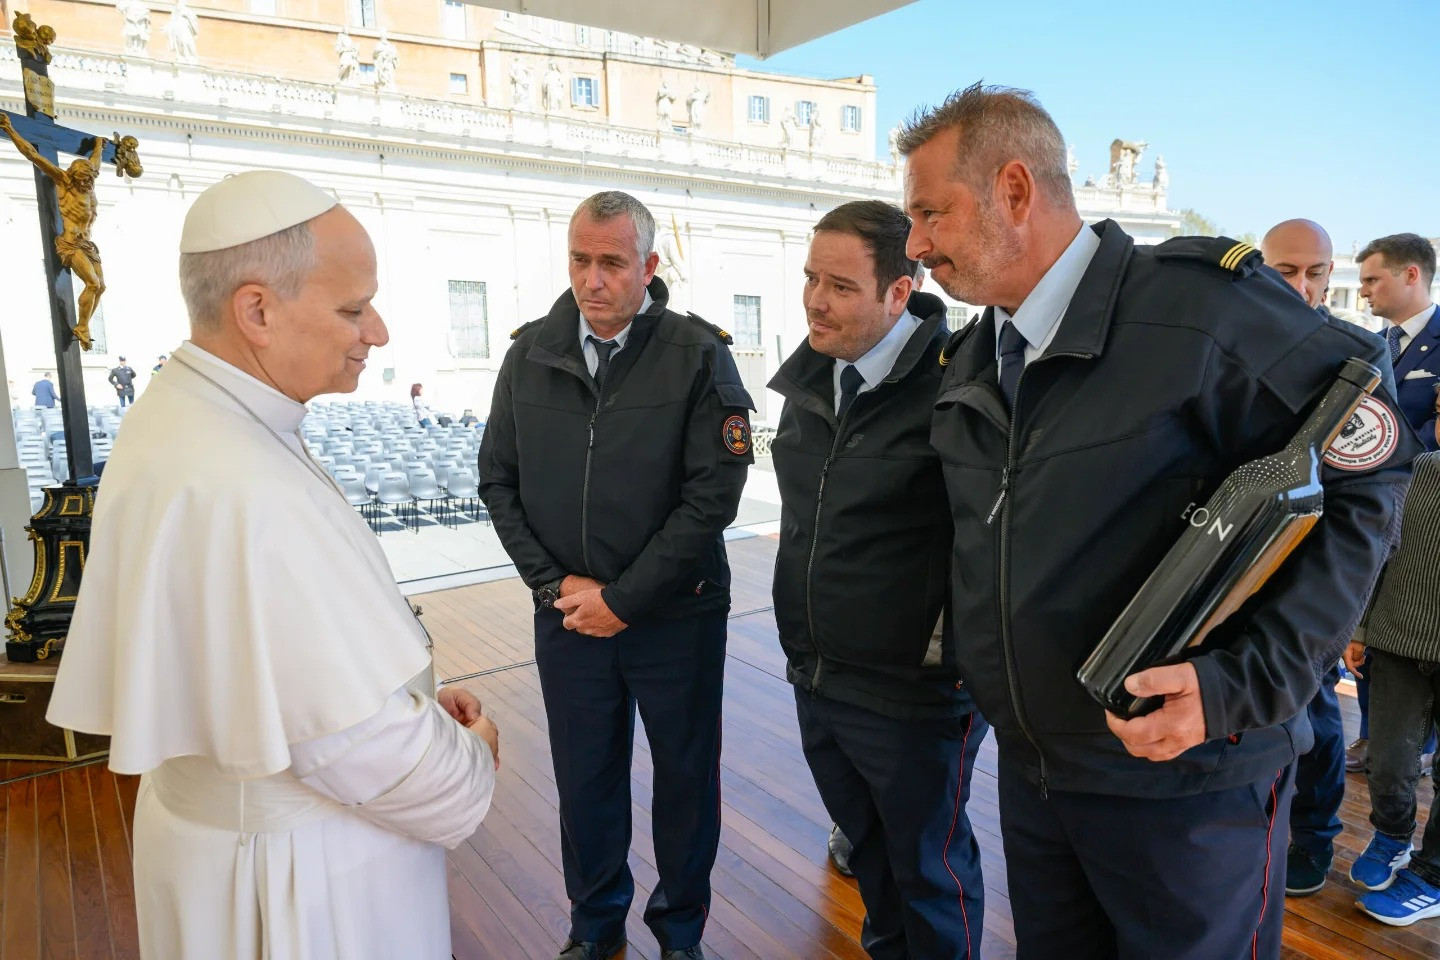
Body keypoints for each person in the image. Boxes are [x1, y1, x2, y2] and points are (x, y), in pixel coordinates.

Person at [900, 82, 1418, 960]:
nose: (914, 246)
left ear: (1015, 191)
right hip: (1039, 775)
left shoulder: (1197, 312)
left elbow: (1373, 462)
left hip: (1189, 786)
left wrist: (1244, 682)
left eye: (929, 214)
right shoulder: (980, 353)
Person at [46, 170, 500, 960]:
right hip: (301, 882)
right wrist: (473, 751)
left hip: (221, 847)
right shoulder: (241, 478)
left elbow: (282, 675)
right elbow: (357, 745)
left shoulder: (186, 416)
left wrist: (404, 695)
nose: (378, 331)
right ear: (256, 310)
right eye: (353, 309)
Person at [479, 190, 752, 960]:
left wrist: (626, 600)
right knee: (586, 779)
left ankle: (679, 934)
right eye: (580, 260)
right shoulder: (529, 352)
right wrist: (555, 587)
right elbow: (497, 481)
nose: (592, 280)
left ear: (649, 267)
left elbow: (713, 497)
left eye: (611, 263)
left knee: (685, 782)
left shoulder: (699, 354)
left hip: (676, 616)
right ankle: (594, 928)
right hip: (568, 617)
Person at [770, 200, 985, 960]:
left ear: (900, 292)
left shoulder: (957, 387)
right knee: (869, 857)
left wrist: (948, 657)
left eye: (840, 286)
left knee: (929, 870)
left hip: (914, 693)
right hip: (820, 674)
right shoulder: (809, 382)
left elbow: (992, 539)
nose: (815, 301)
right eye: (809, 279)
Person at [1258, 219, 1356, 897]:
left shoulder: (1357, 355)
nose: (1302, 284)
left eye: (1315, 271)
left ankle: (1313, 836)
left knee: (1315, 719)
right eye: (1286, 270)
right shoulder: (1231, 344)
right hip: (1239, 563)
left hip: (1316, 571)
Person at [1344, 233, 1440, 776]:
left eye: (1372, 279)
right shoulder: (1372, 345)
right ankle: (1378, 733)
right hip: (1373, 506)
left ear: (1411, 275)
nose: (1362, 292)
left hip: (1428, 512)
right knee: (1368, 612)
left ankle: (1415, 741)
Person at [1344, 448, 1440, 925]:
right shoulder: (1416, 469)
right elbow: (1381, 549)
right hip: (1398, 637)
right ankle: (1393, 836)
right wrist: (1359, 629)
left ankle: (1434, 876)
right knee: (1385, 760)